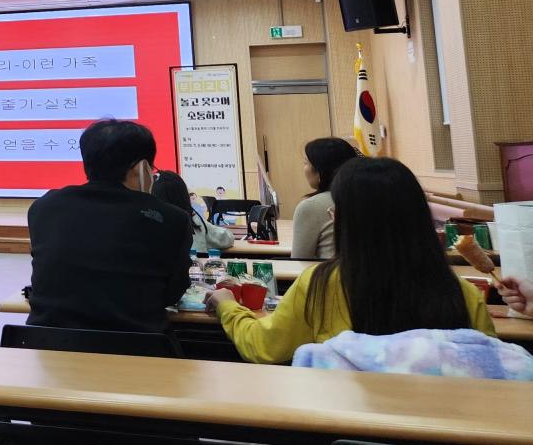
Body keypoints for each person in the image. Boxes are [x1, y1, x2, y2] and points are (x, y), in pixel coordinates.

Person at [207, 157, 495, 363]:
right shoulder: (463, 294)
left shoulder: (321, 285)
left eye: (336, 212)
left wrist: (228, 307)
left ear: (351, 222)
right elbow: (490, 365)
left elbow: (264, 346)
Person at [27, 119, 191, 334]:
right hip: (139, 346)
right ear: (142, 168)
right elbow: (172, 294)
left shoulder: (44, 207)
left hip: (45, 343)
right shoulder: (172, 218)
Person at [292, 137, 362, 259]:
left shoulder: (310, 206)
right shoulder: (365, 197)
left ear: (320, 170)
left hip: (332, 271)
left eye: (305, 163)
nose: (304, 168)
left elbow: (298, 261)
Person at [151, 170, 234, 253]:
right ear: (184, 195)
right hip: (196, 261)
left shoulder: (149, 225)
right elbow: (226, 238)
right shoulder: (194, 221)